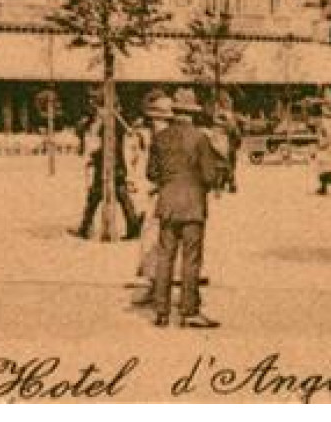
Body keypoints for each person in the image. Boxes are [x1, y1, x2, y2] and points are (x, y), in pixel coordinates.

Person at [146, 87, 225, 328]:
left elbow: (151, 173)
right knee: (191, 259)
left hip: (167, 203)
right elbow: (209, 175)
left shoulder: (160, 138)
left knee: (165, 256)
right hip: (193, 205)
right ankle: (189, 311)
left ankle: (161, 311)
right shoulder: (200, 139)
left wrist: (168, 183)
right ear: (192, 113)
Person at [130, 93, 173, 306]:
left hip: (162, 196)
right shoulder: (154, 138)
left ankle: (157, 287)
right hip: (155, 195)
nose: (154, 122)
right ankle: (154, 285)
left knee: (155, 241)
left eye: (157, 118)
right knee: (151, 240)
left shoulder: (166, 139)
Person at [73, 105, 141, 240]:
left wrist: (93, 156)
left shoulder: (107, 124)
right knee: (120, 196)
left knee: (95, 197)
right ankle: (133, 225)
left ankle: (85, 228)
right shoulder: (117, 123)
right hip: (116, 165)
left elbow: (96, 142)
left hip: (106, 166)